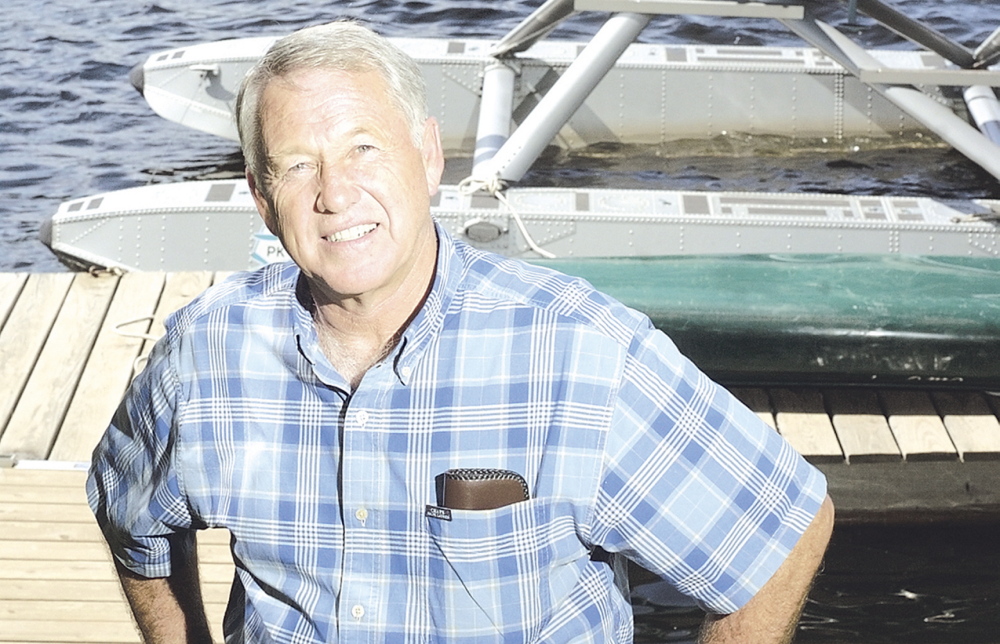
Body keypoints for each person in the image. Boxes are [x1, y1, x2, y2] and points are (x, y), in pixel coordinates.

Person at [88, 20, 834, 644]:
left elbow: (783, 535)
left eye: (363, 148)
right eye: (296, 166)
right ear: (260, 197)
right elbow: (130, 511)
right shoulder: (203, 354)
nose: (335, 194)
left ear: (430, 156)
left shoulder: (578, 353)